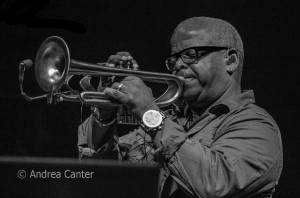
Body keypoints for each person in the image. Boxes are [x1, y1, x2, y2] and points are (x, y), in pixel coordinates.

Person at [78, 16, 283, 198]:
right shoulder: (170, 120)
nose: (178, 65)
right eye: (174, 58)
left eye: (190, 54)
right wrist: (104, 115)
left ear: (230, 60)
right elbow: (100, 176)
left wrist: (150, 113)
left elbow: (214, 184)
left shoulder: (257, 126)